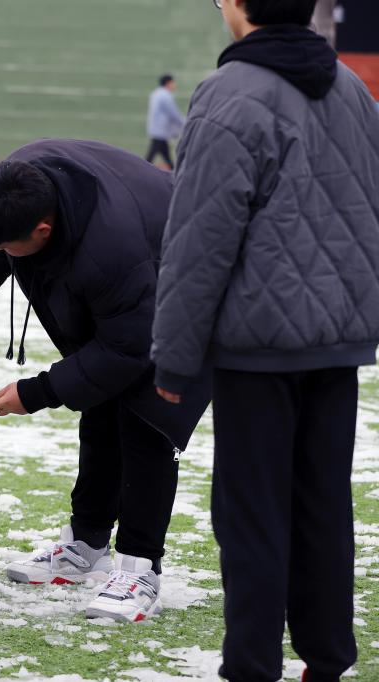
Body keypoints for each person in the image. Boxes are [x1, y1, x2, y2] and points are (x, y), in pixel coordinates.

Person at [151, 0, 379, 679]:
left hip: (258, 349)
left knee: (251, 515)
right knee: (323, 506)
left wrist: (175, 359)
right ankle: (326, 659)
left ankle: (251, 666)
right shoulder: (352, 87)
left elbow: (199, 239)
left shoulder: (229, 92)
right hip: (337, 342)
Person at [0, 139, 210, 623]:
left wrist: (37, 392)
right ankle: (86, 545)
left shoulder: (112, 251)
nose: (1, 253)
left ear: (44, 229)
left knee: (146, 424)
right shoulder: (21, 179)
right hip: (134, 295)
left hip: (194, 291)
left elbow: (127, 348)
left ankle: (140, 570)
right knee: (99, 413)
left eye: (6, 247)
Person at [145, 74, 185, 170]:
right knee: (153, 155)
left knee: (163, 154)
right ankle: (142, 169)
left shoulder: (156, 93)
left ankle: (173, 171)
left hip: (156, 129)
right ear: (168, 83)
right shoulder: (165, 96)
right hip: (160, 130)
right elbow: (173, 113)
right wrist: (185, 123)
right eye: (173, 83)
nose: (174, 85)